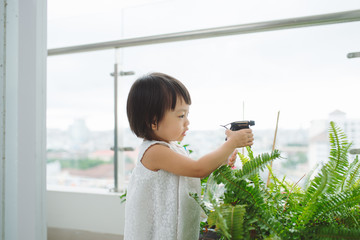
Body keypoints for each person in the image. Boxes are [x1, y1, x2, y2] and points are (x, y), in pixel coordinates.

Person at [124, 72, 254, 240]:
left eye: (187, 114)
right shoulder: (154, 151)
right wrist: (230, 143)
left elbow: (191, 175)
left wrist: (223, 161)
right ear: (153, 121)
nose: (187, 122)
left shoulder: (173, 148)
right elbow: (198, 169)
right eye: (181, 115)